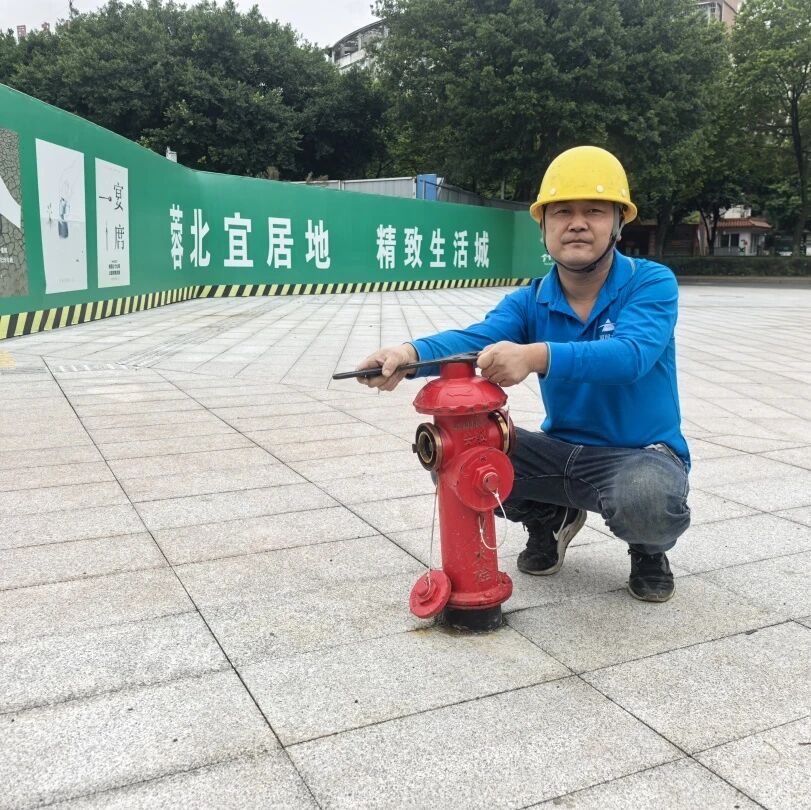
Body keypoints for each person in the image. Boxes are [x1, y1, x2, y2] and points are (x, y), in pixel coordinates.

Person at [355, 146, 690, 602]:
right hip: (561, 451)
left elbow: (631, 355)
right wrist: (407, 354)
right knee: (461, 455)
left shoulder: (650, 282)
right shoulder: (531, 300)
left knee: (645, 495)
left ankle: (648, 550)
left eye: (594, 211)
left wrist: (535, 356)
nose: (577, 223)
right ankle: (548, 518)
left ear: (617, 223)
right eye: (562, 212)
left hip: (640, 453)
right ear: (543, 226)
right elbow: (475, 339)